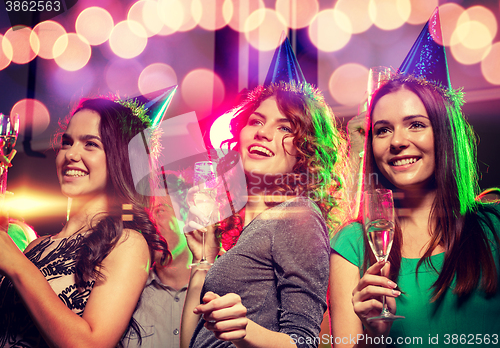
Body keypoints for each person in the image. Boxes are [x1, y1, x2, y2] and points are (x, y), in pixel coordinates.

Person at [329, 74, 500, 347]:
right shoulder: (351, 243)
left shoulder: (494, 225)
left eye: (416, 124)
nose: (397, 141)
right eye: (383, 130)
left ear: (446, 134)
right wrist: (372, 338)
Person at [180, 80, 346, 348]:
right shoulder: (240, 227)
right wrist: (202, 261)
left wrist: (244, 330)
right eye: (256, 121)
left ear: (306, 150)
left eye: (284, 127)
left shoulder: (297, 215)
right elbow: (193, 343)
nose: (263, 133)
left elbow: (303, 342)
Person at [0, 98, 169, 347]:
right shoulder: (35, 246)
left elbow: (91, 344)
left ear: (120, 158)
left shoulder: (126, 243)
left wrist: (17, 266)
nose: (71, 154)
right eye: (67, 142)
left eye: (90, 144)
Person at [124, 172, 191, 348]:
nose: (149, 224)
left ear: (185, 213)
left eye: (159, 211)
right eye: (144, 217)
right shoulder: (127, 294)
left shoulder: (218, 287)